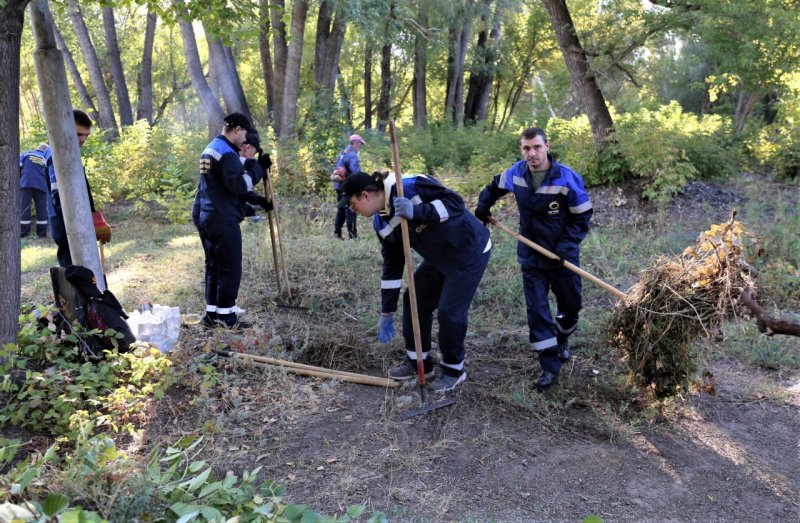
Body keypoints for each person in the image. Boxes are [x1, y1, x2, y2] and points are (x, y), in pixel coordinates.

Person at [339, 170, 492, 392]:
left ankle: (453, 370)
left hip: (467, 250)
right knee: (414, 301)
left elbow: (455, 203)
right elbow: (393, 263)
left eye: (352, 204)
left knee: (450, 312)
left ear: (365, 195)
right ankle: (419, 364)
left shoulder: (409, 186)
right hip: (437, 257)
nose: (352, 210)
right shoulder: (381, 223)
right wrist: (387, 310)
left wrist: (418, 211)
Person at [474, 127, 593, 392]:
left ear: (547, 146)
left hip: (562, 255)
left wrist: (566, 244)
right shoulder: (516, 172)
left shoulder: (566, 178)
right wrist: (484, 204)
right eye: (526, 148)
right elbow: (494, 186)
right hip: (530, 254)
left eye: (537, 147)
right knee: (538, 310)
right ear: (522, 150)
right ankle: (549, 366)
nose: (532, 153)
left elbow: (582, 216)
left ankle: (561, 339)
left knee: (571, 306)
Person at [193, 112, 270, 329]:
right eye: (244, 134)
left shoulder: (211, 148)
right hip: (222, 219)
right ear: (237, 129)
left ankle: (212, 315)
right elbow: (238, 185)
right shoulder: (226, 153)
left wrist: (255, 200)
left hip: (208, 215)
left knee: (214, 267)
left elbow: (220, 187)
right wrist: (258, 169)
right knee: (229, 268)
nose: (244, 139)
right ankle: (227, 319)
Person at [46, 109, 111, 267]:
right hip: (68, 229)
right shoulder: (57, 155)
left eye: (86, 135)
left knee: (88, 272)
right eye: (79, 134)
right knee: (76, 274)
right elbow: (59, 197)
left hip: (78, 227)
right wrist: (81, 224)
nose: (83, 139)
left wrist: (95, 221)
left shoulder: (70, 153)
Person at [330, 134, 366, 239]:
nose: (360, 146)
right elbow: (355, 172)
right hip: (348, 187)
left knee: (341, 210)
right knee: (351, 209)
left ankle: (337, 233)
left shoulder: (343, 152)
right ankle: (353, 236)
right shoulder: (353, 155)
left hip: (339, 186)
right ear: (355, 143)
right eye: (360, 144)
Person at [19, 143, 50, 238]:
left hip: (26, 184)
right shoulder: (45, 159)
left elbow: (18, 167)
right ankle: (41, 233)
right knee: (41, 209)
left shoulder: (25, 154)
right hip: (41, 186)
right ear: (45, 151)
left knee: (24, 208)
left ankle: (24, 232)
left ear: (37, 148)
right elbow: (48, 175)